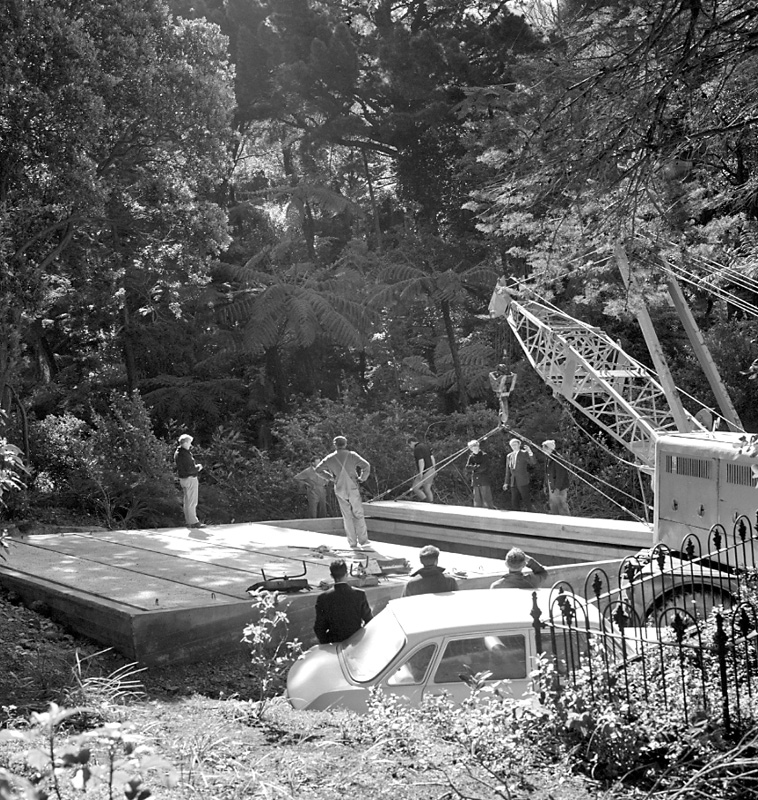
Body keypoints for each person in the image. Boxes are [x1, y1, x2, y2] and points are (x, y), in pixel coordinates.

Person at [315, 436, 372, 549]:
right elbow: (366, 466)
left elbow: (318, 470)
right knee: (358, 513)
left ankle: (352, 542)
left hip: (340, 487)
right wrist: (362, 478)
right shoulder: (352, 455)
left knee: (347, 515)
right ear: (345, 444)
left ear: (334, 445)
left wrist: (330, 478)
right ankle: (363, 541)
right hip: (353, 486)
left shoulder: (330, 458)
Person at [314, 559, 373, 644]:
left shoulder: (323, 598)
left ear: (331, 576)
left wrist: (327, 643)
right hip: (356, 642)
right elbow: (369, 621)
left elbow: (319, 627)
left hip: (334, 643)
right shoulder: (359, 594)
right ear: (347, 574)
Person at [174, 434, 204, 528]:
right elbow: (189, 469)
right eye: (190, 443)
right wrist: (198, 468)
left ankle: (189, 521)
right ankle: (193, 522)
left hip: (183, 479)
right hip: (189, 478)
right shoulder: (184, 454)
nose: (190, 445)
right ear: (185, 442)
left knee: (187, 501)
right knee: (192, 501)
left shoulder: (178, 452)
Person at [504, 438, 536, 512]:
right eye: (512, 445)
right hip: (513, 481)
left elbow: (533, 462)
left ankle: (531, 514)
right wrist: (506, 482)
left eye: (515, 444)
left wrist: (530, 452)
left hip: (523, 480)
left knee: (526, 499)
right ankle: (517, 516)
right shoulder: (509, 456)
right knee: (514, 500)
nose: (514, 446)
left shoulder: (524, 453)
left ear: (519, 445)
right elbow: (507, 471)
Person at [542, 439, 571, 515]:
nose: (543, 450)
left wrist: (557, 488)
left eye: (544, 448)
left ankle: (568, 521)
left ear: (549, 448)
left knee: (562, 505)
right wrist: (545, 485)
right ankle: (555, 521)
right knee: (553, 504)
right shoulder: (548, 458)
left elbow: (561, 475)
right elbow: (547, 473)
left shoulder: (558, 458)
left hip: (559, 487)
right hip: (551, 485)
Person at [465, 440, 495, 509]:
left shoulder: (484, 455)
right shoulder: (471, 456)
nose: (474, 448)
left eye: (475, 446)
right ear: (470, 448)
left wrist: (473, 467)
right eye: (472, 447)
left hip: (484, 479)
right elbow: (467, 468)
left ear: (478, 446)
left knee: (486, 499)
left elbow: (483, 468)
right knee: (477, 500)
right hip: (475, 480)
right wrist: (476, 467)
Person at [488, 361, 518, 426]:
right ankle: (502, 420)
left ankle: (504, 420)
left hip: (503, 392)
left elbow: (510, 377)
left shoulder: (502, 377)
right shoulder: (495, 376)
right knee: (502, 404)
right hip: (500, 392)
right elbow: (494, 378)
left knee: (504, 404)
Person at [409, 438, 436, 502]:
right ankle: (431, 504)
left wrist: (421, 473)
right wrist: (434, 468)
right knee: (427, 489)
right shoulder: (425, 446)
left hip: (425, 471)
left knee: (415, 488)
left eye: (409, 445)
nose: (410, 447)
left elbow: (421, 461)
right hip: (431, 470)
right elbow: (432, 457)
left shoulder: (417, 449)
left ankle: (425, 501)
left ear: (412, 442)